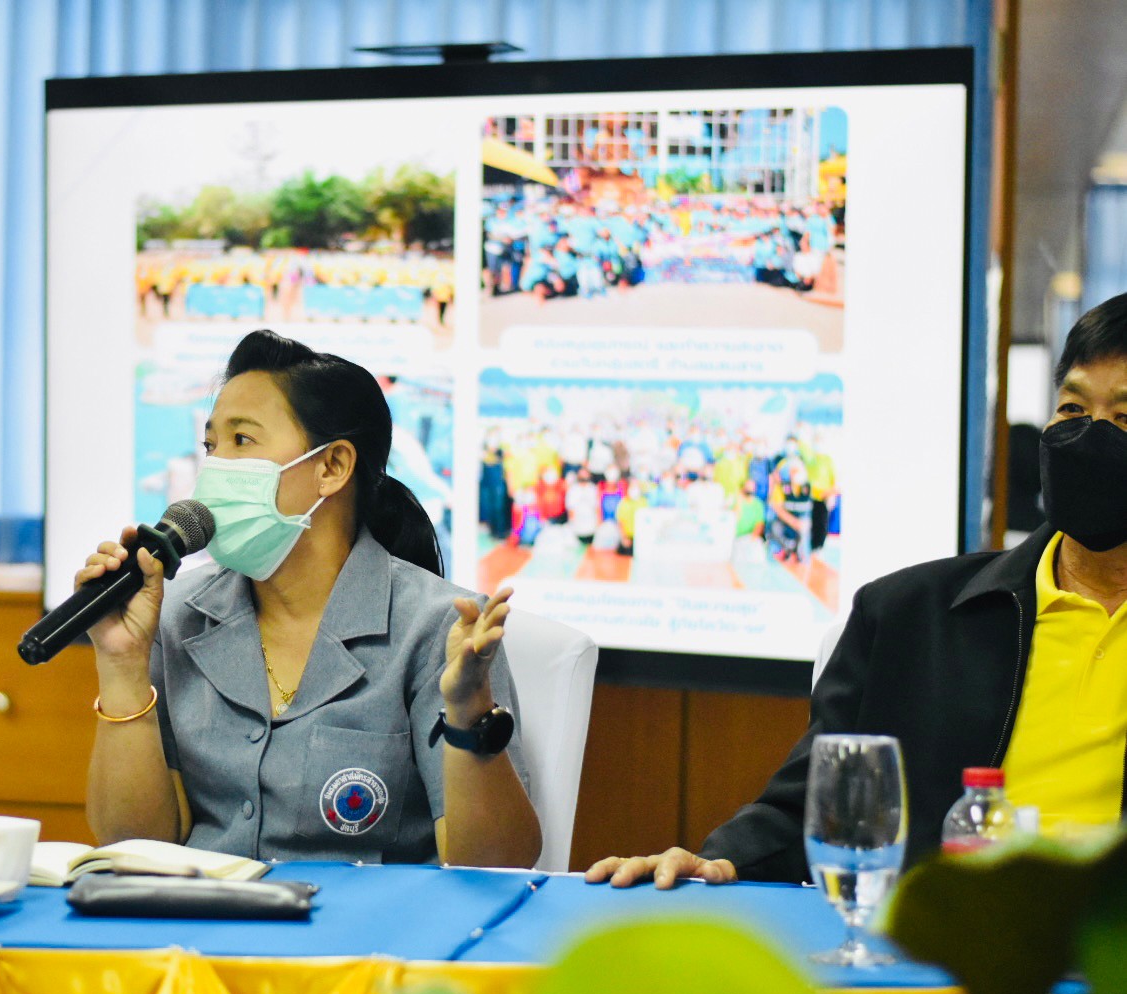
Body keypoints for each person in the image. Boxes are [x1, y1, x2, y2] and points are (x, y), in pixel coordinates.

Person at [588, 292, 1127, 888]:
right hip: (937, 932)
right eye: (1073, 409)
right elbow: (805, 813)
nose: (1091, 436)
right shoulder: (911, 618)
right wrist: (716, 862)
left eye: (1125, 417)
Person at [77, 330, 540, 867]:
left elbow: (497, 866)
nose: (216, 467)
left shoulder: (438, 628)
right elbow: (133, 847)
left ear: (332, 467)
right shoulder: (175, 616)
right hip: (201, 916)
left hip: (363, 921)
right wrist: (122, 666)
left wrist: (468, 712)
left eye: (242, 440)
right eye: (211, 446)